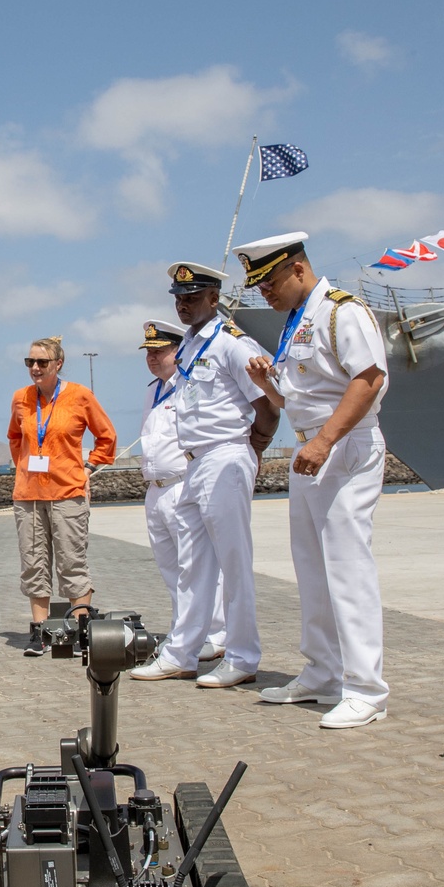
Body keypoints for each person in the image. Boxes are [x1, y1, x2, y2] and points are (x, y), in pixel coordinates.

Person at [240, 232, 389, 729]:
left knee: (348, 566)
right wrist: (268, 385)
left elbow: (369, 378)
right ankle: (323, 672)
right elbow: (294, 398)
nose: (265, 293)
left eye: (270, 282)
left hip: (342, 447)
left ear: (298, 268)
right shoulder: (296, 321)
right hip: (312, 450)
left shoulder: (341, 312)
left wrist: (324, 440)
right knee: (313, 568)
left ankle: (366, 688)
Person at [132, 262, 278, 688]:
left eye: (193, 297)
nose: (183, 304)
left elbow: (267, 404)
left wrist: (251, 449)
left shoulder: (233, 344)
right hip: (194, 461)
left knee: (234, 563)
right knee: (192, 567)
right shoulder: (192, 347)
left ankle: (243, 656)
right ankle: (183, 653)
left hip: (224, 456)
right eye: (179, 298)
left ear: (214, 299)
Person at [7, 335, 116, 656]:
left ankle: (81, 631)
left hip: (68, 492)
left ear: (59, 364)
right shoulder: (20, 398)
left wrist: (88, 467)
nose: (36, 368)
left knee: (71, 563)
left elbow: (106, 436)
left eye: (42, 362)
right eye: (30, 362)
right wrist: (27, 469)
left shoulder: (80, 395)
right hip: (28, 496)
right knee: (33, 563)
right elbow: (15, 437)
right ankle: (41, 632)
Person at [137, 320, 226, 662]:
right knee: (170, 567)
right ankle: (184, 629)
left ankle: (216, 632)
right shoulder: (152, 390)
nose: (153, 358)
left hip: (181, 483)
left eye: (160, 351)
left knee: (196, 564)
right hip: (155, 489)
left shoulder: (188, 384)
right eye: (149, 352)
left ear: (178, 351)